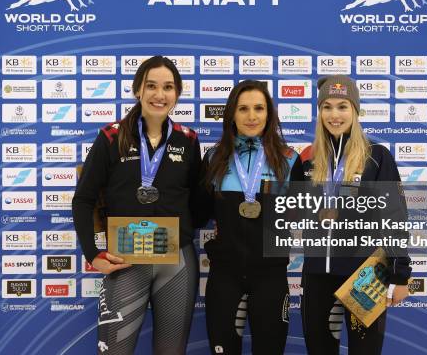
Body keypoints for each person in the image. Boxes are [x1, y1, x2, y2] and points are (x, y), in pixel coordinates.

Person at [72, 56, 201, 354]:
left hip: (176, 261)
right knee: (114, 350)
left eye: (168, 87)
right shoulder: (111, 137)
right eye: (152, 86)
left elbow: (197, 202)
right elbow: (83, 200)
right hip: (126, 259)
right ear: (137, 90)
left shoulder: (187, 141)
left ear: (177, 94)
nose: (160, 94)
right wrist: (93, 254)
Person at [300, 75, 411, 355]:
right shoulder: (308, 159)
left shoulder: (377, 157)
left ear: (355, 110)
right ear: (319, 111)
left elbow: (395, 218)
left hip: (366, 274)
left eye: (342, 106)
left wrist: (400, 275)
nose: (334, 115)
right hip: (317, 274)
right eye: (327, 106)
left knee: (365, 351)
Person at [196, 80, 304, 354]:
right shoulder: (213, 159)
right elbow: (198, 215)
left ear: (269, 113)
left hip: (271, 275)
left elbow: (300, 216)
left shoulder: (289, 160)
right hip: (224, 275)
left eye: (259, 108)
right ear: (231, 113)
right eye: (243, 108)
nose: (252, 116)